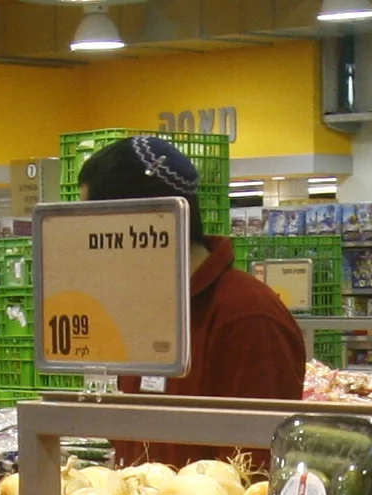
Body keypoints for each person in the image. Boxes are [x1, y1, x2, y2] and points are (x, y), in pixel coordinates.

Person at [76, 135, 306, 403]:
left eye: (95, 226)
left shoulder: (248, 314)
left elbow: (257, 428)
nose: (92, 243)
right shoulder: (144, 309)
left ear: (141, 222)